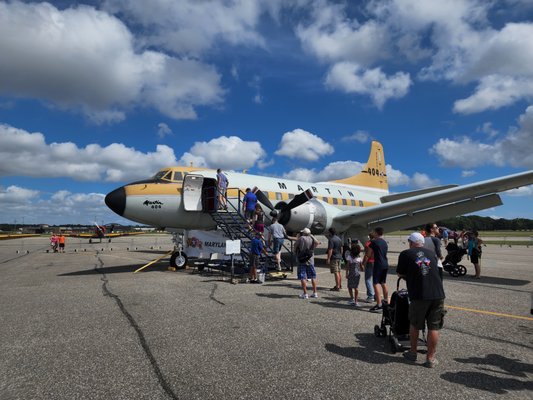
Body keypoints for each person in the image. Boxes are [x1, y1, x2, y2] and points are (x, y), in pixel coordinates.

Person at [397, 232, 446, 368]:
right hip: (438, 293)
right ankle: (430, 358)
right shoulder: (432, 254)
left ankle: (413, 353)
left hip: (420, 294)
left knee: (415, 324)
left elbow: (400, 273)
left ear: (411, 242)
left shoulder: (406, 254)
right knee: (434, 327)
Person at [363, 226, 389, 312]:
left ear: (376, 233)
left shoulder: (373, 242)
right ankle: (385, 302)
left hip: (378, 264)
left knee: (375, 283)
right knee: (383, 282)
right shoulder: (384, 242)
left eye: (374, 232)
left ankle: (379, 305)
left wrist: (363, 263)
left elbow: (368, 254)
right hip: (385, 263)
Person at [295, 228, 319, 299]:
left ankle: (305, 293)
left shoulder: (301, 238)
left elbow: (295, 246)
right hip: (311, 260)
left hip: (302, 260)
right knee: (313, 276)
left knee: (303, 277)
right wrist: (311, 236)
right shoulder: (312, 239)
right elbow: (317, 243)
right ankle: (315, 292)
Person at [363, 232, 375, 302]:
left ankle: (370, 296)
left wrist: (363, 263)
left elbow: (367, 255)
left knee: (368, 279)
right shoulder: (378, 243)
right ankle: (376, 295)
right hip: (376, 262)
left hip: (370, 262)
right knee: (375, 280)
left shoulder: (368, 244)